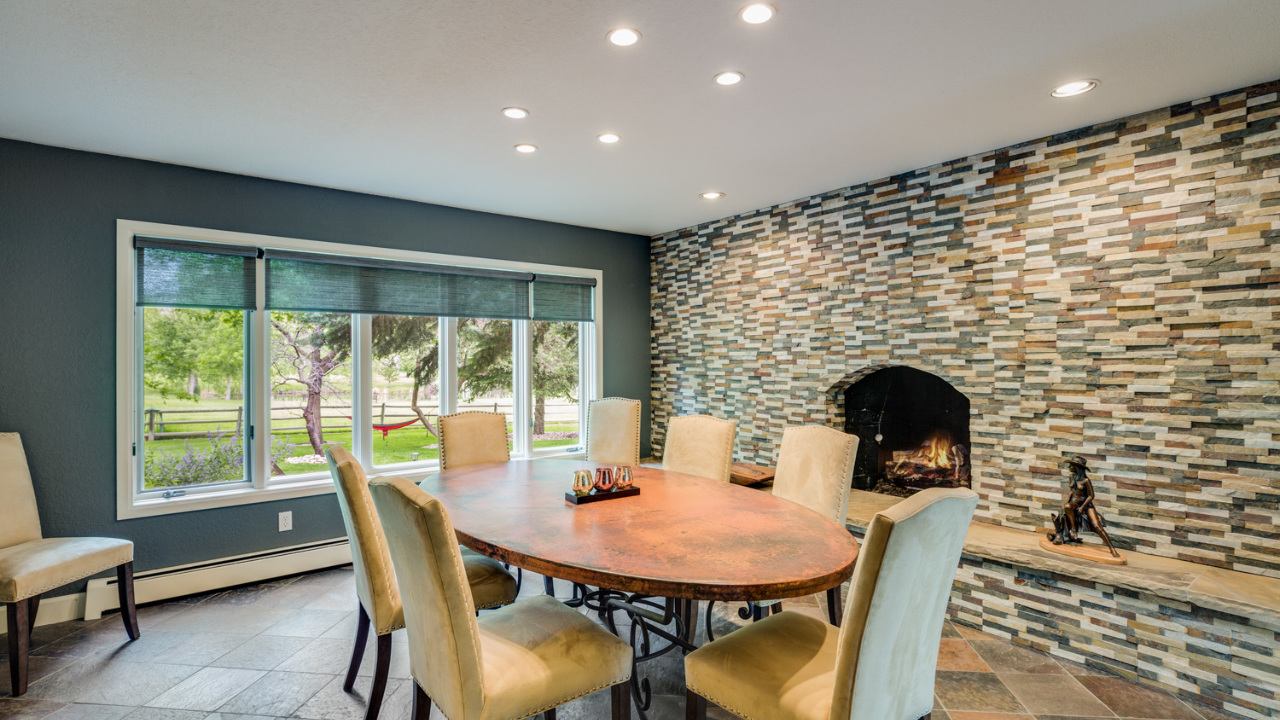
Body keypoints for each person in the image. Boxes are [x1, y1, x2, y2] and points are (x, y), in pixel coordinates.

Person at [1050, 455, 1119, 557]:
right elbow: (1072, 491)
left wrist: (1082, 507)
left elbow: (1091, 495)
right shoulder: (1072, 477)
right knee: (1067, 507)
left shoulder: (1086, 480)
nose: (1069, 467)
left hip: (1086, 505)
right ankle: (1073, 530)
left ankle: (1112, 549)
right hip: (1074, 503)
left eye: (1072, 465)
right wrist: (1065, 504)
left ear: (1077, 467)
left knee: (1097, 526)